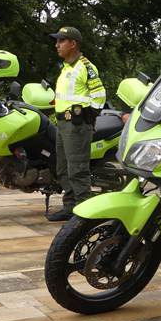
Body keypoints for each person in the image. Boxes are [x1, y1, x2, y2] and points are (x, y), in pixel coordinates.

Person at [47, 26, 106, 222]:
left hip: (77, 126)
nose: (57, 45)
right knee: (62, 168)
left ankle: (84, 213)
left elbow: (99, 96)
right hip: (63, 124)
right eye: (57, 41)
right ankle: (70, 206)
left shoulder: (86, 67)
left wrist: (87, 117)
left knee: (77, 169)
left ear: (73, 44)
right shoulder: (66, 67)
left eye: (61, 41)